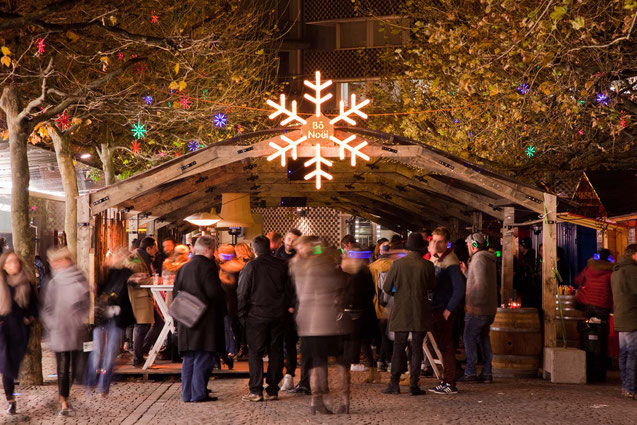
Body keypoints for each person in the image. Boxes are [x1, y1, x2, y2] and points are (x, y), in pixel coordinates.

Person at [291, 237, 350, 414]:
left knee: (317, 362)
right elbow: (340, 287)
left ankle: (316, 401)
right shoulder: (327, 265)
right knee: (339, 361)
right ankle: (343, 400)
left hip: (310, 321)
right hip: (329, 319)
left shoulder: (301, 266)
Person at [238, 236, 292, 402]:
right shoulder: (282, 265)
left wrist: (242, 313)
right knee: (275, 351)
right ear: (269, 247)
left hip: (256, 316)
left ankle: (256, 390)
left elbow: (242, 292)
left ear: (254, 250)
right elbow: (289, 290)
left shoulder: (251, 266)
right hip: (278, 315)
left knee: (255, 352)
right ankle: (273, 389)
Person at [381, 233, 436, 396]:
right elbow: (432, 286)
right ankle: (413, 385)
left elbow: (386, 287)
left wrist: (399, 291)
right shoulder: (427, 265)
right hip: (420, 311)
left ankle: (394, 384)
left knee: (398, 347)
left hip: (401, 310)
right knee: (417, 348)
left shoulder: (398, 264)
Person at [173, 235, 226, 403]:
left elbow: (175, 293)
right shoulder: (208, 268)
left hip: (186, 319)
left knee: (189, 358)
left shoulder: (183, 268)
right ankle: (198, 394)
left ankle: (187, 394)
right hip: (205, 321)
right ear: (210, 249)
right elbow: (214, 293)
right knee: (204, 356)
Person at [41, 247, 91, 416]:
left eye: (59, 261)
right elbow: (47, 307)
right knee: (63, 366)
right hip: (59, 330)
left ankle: (64, 395)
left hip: (75, 330)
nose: (56, 264)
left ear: (67, 261)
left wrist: (79, 319)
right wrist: (53, 323)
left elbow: (86, 304)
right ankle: (64, 400)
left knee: (75, 367)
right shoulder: (53, 282)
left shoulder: (80, 279)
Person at [87, 247, 135, 395]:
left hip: (117, 317)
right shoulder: (103, 271)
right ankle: (91, 382)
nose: (119, 259)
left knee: (109, 353)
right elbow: (98, 288)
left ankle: (103, 385)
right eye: (117, 256)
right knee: (97, 352)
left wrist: (135, 281)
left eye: (122, 256)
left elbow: (129, 289)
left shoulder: (127, 273)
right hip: (102, 316)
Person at [428, 226, 465, 395]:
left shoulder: (450, 262)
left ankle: (450, 381)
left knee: (447, 346)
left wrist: (449, 309)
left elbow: (459, 288)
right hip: (438, 308)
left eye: (439, 241)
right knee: (444, 346)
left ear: (447, 243)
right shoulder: (438, 259)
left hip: (444, 310)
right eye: (434, 240)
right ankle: (447, 379)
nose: (436, 244)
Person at [0, 251, 38, 416]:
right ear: (4, 265)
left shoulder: (26, 282)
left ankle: (11, 397)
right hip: (2, 327)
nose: (14, 264)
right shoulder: (0, 282)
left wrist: (29, 319)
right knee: (5, 362)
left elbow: (35, 306)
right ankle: (10, 400)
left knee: (12, 363)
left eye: (16, 261)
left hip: (19, 329)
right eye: (10, 262)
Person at [458, 233, 497, 384]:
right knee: (483, 338)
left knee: (469, 338)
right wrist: (466, 272)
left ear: (474, 245)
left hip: (478, 308)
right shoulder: (488, 258)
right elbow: (480, 279)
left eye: (469, 244)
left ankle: (470, 372)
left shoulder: (479, 259)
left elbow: (480, 284)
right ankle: (487, 372)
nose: (468, 247)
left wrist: (472, 306)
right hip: (489, 308)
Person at [342, 245, 378, 382]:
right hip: (364, 312)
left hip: (356, 312)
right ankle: (373, 374)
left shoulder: (355, 273)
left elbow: (351, 293)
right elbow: (371, 292)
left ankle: (346, 375)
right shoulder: (363, 271)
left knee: (350, 343)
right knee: (363, 343)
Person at [275, 229, 302, 392]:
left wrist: (293, 304)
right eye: (288, 238)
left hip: (292, 307)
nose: (290, 242)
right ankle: (276, 376)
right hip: (277, 305)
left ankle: (289, 376)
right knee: (277, 344)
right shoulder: (276, 256)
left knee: (290, 343)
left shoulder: (299, 259)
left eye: (294, 240)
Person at [126, 237, 160, 367]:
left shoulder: (142, 258)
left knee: (158, 323)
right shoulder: (137, 261)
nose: (156, 251)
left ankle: (142, 352)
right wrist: (155, 280)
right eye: (155, 248)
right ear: (148, 248)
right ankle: (138, 358)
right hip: (139, 299)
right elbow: (135, 280)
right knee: (141, 327)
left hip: (145, 298)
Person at [610, 244, 637, 399]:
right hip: (632, 317)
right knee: (633, 353)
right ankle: (631, 388)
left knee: (625, 353)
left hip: (620, 316)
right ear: (634, 254)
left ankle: (625, 386)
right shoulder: (632, 271)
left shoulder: (617, 270)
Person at [368, 242, 394, 372]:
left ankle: (381, 360)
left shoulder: (371, 267)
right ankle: (387, 361)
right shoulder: (394, 266)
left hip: (375, 305)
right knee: (388, 335)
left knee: (382, 335)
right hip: (390, 305)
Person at [574, 249, 614, 321]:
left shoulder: (589, 268)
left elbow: (578, 280)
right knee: (601, 327)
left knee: (589, 326)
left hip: (587, 303)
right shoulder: (611, 272)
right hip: (603, 305)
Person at [513, 237, 540, 308]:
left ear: (524, 246)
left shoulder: (529, 258)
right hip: (527, 287)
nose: (519, 247)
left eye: (520, 246)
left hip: (528, 288)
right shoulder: (529, 256)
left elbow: (526, 272)